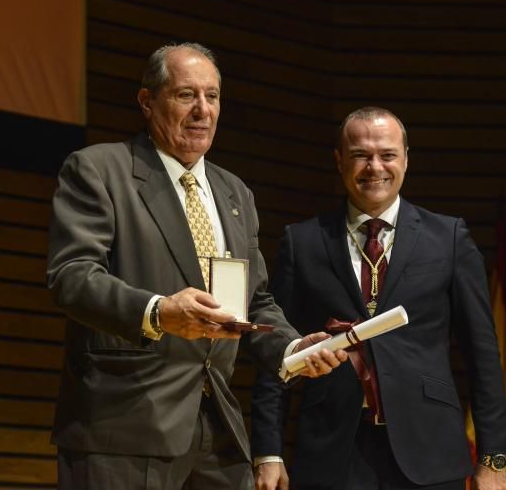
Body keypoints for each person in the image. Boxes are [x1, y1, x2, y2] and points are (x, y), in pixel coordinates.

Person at [46, 42, 348, 490]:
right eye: (186, 95)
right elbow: (72, 276)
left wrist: (291, 349)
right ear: (147, 102)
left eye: (212, 96)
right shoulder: (98, 170)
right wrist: (158, 312)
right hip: (124, 427)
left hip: (219, 431)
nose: (202, 110)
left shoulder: (235, 194)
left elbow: (254, 299)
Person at [250, 107, 506, 490]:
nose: (375, 167)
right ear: (339, 161)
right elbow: (277, 351)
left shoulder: (449, 238)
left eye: (387, 154)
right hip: (331, 450)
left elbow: (483, 353)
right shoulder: (302, 242)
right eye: (360, 155)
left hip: (430, 452)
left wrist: (493, 459)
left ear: (406, 159)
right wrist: (268, 452)